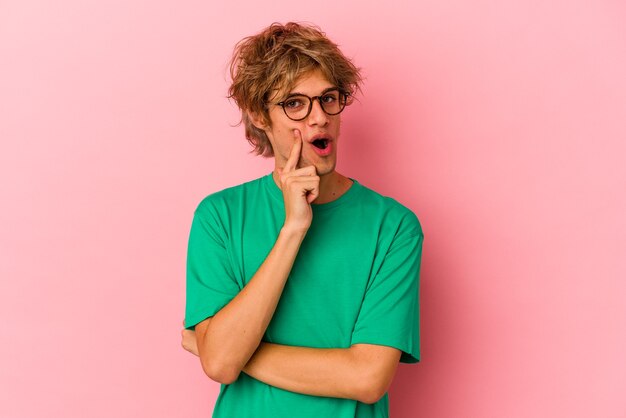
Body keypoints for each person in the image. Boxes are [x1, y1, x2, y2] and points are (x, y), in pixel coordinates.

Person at [180, 21, 424, 418]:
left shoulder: (393, 226)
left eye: (328, 98)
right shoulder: (220, 216)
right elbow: (221, 364)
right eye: (294, 103)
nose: (319, 119)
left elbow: (367, 378)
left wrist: (229, 352)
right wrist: (293, 229)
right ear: (260, 115)